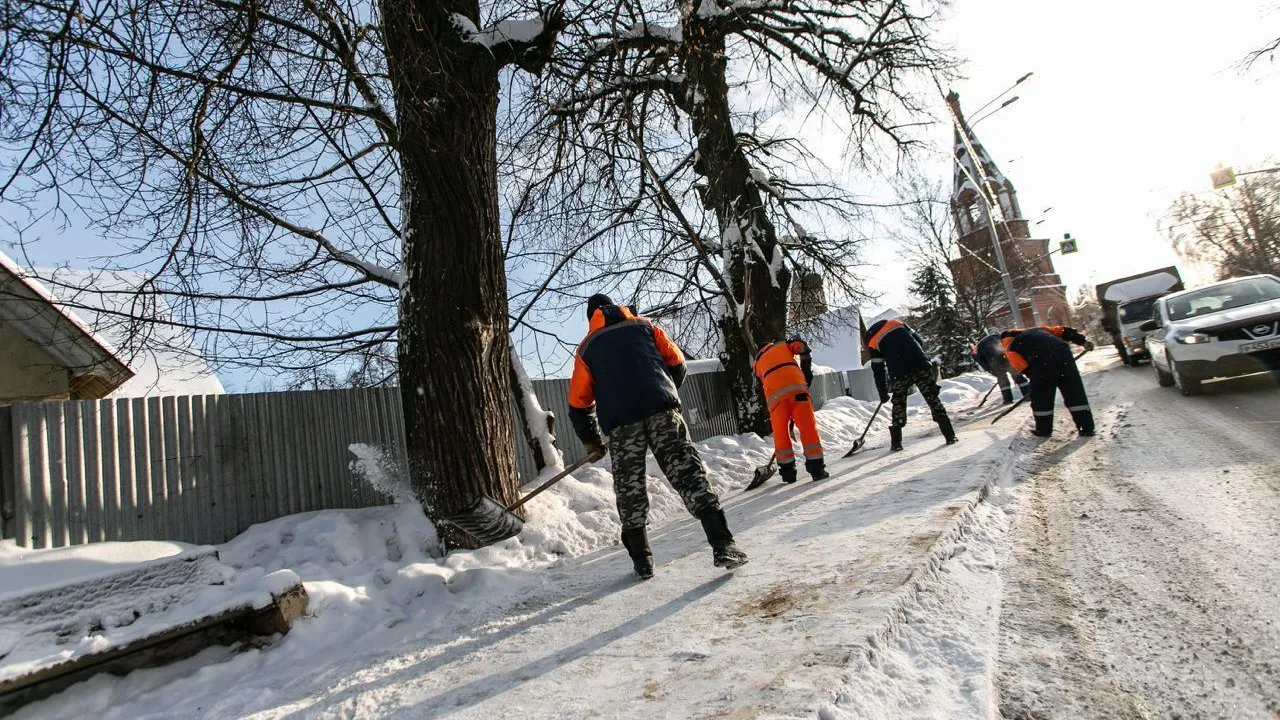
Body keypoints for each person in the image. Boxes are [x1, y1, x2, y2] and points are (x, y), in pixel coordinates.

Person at [568, 294, 748, 579]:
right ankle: (723, 543)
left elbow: (578, 404)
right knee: (687, 471)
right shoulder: (644, 327)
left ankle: (642, 561)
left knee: (630, 486)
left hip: (621, 423)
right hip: (662, 409)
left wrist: (591, 440)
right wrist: (664, 391)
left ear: (591, 318)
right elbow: (678, 363)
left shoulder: (587, 348)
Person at [864, 317, 957, 451]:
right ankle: (950, 435)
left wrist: (882, 392)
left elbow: (878, 370)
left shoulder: (872, 342)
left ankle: (896, 444)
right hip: (920, 364)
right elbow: (919, 341)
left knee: (899, 404)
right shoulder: (897, 323)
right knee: (932, 399)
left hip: (899, 372)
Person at [752, 338, 828, 483]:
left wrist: (776, 406)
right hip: (797, 389)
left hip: (775, 399)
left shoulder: (757, 365)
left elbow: (759, 389)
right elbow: (802, 347)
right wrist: (806, 373)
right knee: (808, 429)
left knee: (780, 434)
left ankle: (788, 474)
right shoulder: (782, 346)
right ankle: (817, 470)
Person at [999, 326, 1095, 437]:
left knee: (1041, 398)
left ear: (1003, 341)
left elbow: (1024, 368)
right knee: (1073, 391)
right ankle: (1087, 428)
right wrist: (1083, 341)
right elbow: (1064, 331)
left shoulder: (1010, 348)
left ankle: (1043, 430)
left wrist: (1039, 381)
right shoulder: (1038, 330)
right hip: (1063, 351)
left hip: (1042, 360)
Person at [973, 333, 1030, 405]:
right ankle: (1028, 395)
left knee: (1003, 379)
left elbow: (982, 362)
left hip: (993, 358)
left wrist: (992, 371)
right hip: (1005, 354)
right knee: (1017, 375)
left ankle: (1008, 400)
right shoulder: (999, 336)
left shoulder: (977, 348)